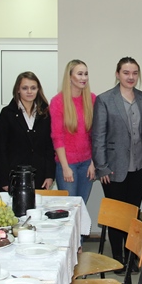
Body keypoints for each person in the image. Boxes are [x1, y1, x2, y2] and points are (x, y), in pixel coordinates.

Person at [92, 57, 142, 271]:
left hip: (139, 168)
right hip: (113, 169)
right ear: (118, 74)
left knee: (133, 215)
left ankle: (131, 256)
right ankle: (118, 257)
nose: (130, 77)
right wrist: (102, 167)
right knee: (117, 216)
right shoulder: (105, 99)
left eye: (134, 73)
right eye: (126, 72)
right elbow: (98, 136)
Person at [0, 71, 55, 191]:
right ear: (18, 90)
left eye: (33, 88)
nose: (29, 92)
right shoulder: (7, 114)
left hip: (40, 176)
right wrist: (4, 180)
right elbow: (1, 150)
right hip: (15, 175)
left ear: (38, 90)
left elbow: (49, 147)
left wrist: (49, 175)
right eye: (25, 88)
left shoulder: (45, 113)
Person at [49, 60, 97, 202]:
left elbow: (96, 135)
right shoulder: (58, 101)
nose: (84, 78)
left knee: (81, 205)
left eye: (86, 74)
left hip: (87, 163)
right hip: (67, 163)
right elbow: (57, 136)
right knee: (69, 207)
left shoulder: (92, 99)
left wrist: (93, 163)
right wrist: (65, 167)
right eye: (80, 74)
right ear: (70, 76)